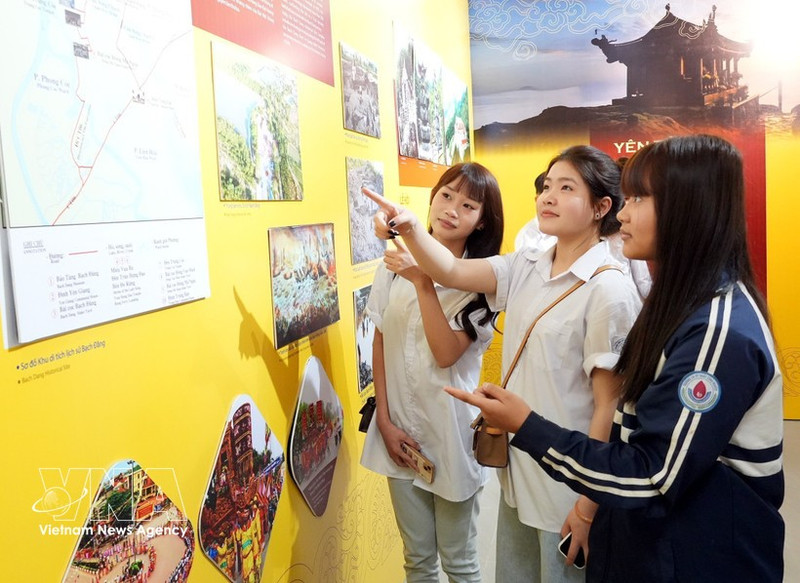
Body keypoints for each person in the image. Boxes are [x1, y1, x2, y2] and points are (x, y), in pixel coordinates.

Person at [446, 134, 785, 582]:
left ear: (688, 208)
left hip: (699, 553)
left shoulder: (716, 331)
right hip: (652, 538)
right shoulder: (681, 302)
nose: (624, 213)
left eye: (639, 198)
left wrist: (528, 426)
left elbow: (653, 475)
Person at [364, 146, 642, 583]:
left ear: (601, 207)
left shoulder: (609, 289)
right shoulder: (526, 265)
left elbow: (609, 406)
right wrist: (412, 225)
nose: (547, 196)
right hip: (518, 470)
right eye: (546, 185)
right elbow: (451, 270)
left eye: (566, 188)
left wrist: (588, 506)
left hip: (566, 486)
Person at [360, 162, 505, 582]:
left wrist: (424, 283)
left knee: (459, 563)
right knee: (418, 560)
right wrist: (383, 422)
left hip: (451, 434)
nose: (451, 210)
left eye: (468, 205)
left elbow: (445, 355)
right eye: (445, 195)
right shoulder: (394, 262)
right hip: (399, 431)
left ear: (481, 222)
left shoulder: (483, 284)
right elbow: (380, 338)